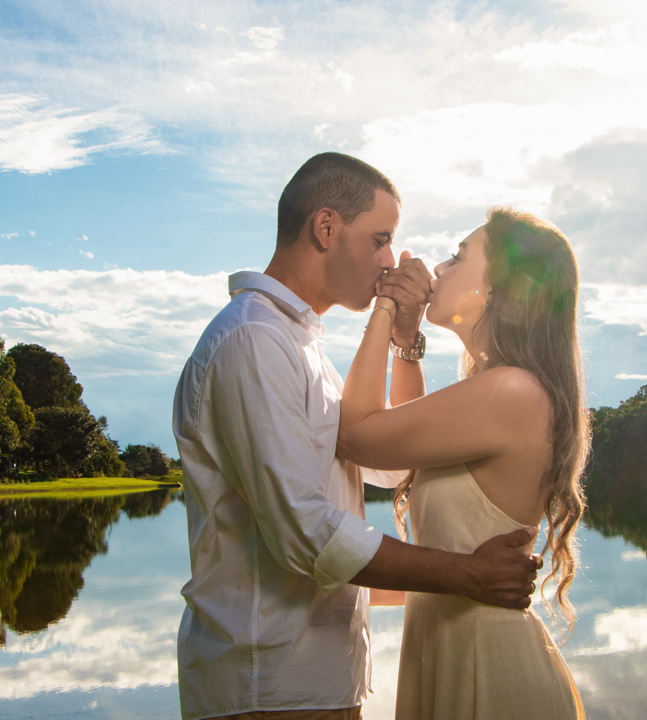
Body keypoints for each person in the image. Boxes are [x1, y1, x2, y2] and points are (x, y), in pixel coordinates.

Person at [172, 153, 540, 720]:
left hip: (318, 682)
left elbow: (393, 466)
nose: (392, 259)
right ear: (325, 228)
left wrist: (403, 340)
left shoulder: (302, 349)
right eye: (381, 238)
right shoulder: (253, 341)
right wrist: (468, 575)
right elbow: (308, 533)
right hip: (265, 688)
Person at [337, 207, 589, 720]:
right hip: (454, 653)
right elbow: (404, 453)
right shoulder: (495, 389)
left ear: (497, 288)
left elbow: (357, 433)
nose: (440, 268)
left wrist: (383, 308)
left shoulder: (511, 390)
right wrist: (406, 345)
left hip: (489, 670)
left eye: (458, 256)